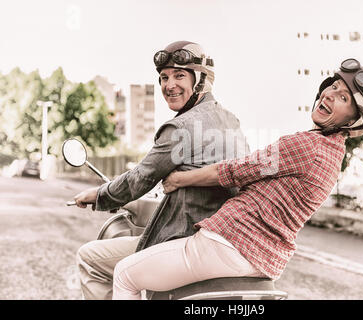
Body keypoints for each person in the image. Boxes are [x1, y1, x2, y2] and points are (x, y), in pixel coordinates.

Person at [110, 58, 363, 300]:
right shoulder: (331, 156)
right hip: (264, 261)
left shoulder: (307, 146)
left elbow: (235, 171)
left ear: (353, 122)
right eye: (334, 87)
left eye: (343, 98)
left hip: (227, 244)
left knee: (125, 274)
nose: (330, 95)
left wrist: (178, 181)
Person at [74, 41, 249, 299]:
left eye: (179, 75)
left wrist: (99, 195)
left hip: (184, 237)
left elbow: (140, 178)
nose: (169, 85)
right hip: (227, 239)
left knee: (89, 257)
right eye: (164, 77)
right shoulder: (233, 122)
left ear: (200, 79)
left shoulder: (180, 127)